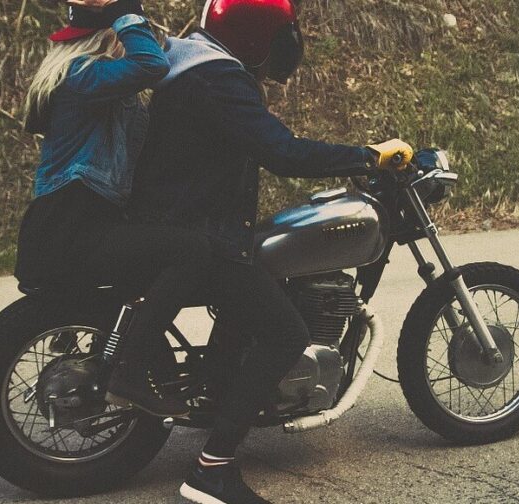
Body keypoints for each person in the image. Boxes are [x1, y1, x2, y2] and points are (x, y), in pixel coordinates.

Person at [129, 0, 414, 501]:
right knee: (286, 333)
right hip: (202, 237)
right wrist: (367, 157)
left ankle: (222, 392)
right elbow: (281, 151)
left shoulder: (191, 65)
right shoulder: (219, 77)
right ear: (257, 36)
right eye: (282, 33)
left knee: (256, 294)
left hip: (181, 225)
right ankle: (212, 470)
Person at [14, 0, 204, 418]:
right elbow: (151, 64)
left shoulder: (100, 88)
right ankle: (129, 374)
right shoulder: (82, 74)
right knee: (195, 252)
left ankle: (120, 355)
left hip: (79, 220)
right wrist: (127, 11)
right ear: (109, 38)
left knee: (164, 255)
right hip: (72, 223)